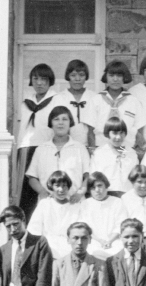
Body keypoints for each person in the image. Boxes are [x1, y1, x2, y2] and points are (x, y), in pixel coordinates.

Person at [13, 63, 59, 214]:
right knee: (25, 189)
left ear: (50, 80)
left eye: (43, 79)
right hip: (26, 149)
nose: (39, 83)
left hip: (47, 147)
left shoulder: (57, 100)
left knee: (47, 185)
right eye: (35, 79)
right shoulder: (25, 103)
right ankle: (25, 222)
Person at [0, 205, 53, 286]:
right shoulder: (2, 250)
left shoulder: (39, 243)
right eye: (8, 226)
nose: (12, 229)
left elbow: (43, 279)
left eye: (15, 224)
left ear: (24, 221)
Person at [27, 106, 91, 201]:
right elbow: (32, 177)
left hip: (74, 202)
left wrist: (80, 193)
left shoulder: (80, 148)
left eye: (64, 119)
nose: (60, 123)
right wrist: (42, 191)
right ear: (51, 123)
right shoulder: (41, 149)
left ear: (70, 123)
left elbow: (88, 176)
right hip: (49, 203)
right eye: (56, 119)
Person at [84, 60, 145, 150]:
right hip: (101, 149)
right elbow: (90, 130)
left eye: (119, 75)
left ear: (124, 77)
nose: (115, 79)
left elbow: (139, 130)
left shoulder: (133, 101)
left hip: (127, 149)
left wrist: (136, 150)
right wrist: (93, 150)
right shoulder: (96, 100)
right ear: (106, 77)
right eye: (111, 75)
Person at [27, 171, 83, 260]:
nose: (61, 189)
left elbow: (80, 229)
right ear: (52, 187)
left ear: (68, 187)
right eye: (57, 186)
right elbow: (34, 229)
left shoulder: (76, 207)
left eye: (64, 186)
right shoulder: (44, 204)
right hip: (47, 247)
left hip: (69, 247)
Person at [80, 172, 128, 259]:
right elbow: (84, 227)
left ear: (106, 186)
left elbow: (121, 225)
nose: (97, 190)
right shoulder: (85, 204)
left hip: (115, 241)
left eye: (100, 186)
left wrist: (110, 241)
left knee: (121, 253)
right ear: (89, 190)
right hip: (93, 241)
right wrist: (100, 241)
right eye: (93, 188)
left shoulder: (117, 202)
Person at [90, 116, 139, 196]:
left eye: (121, 133)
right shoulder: (99, 153)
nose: (118, 137)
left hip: (128, 195)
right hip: (107, 195)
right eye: (115, 133)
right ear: (107, 134)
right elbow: (94, 178)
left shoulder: (131, 153)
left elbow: (136, 178)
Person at [53, 59, 96, 148]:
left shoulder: (94, 97)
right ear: (68, 76)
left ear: (86, 77)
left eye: (81, 75)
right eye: (73, 75)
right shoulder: (60, 98)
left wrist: (92, 148)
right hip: (66, 146)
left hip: (89, 146)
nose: (77, 79)